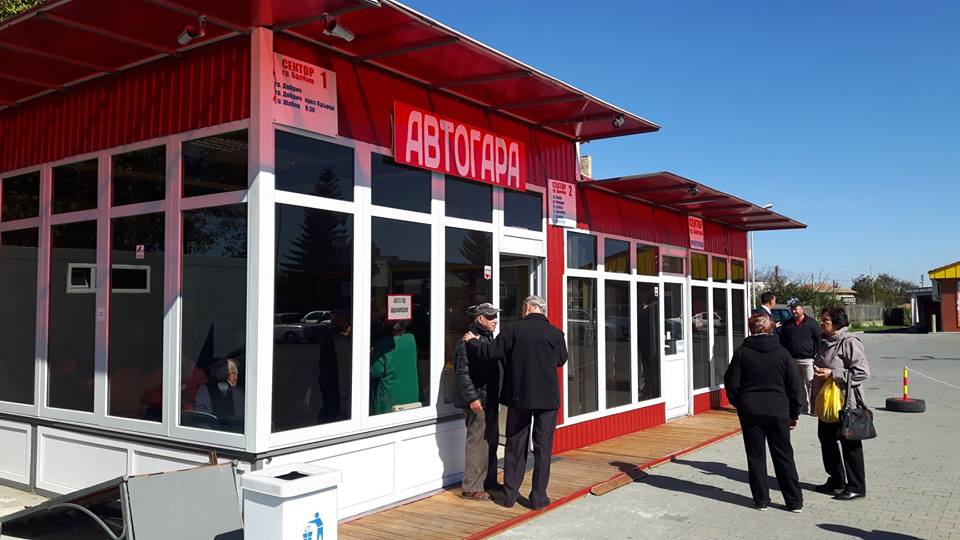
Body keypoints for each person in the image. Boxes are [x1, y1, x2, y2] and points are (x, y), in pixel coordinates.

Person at [465, 295, 568, 510]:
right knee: (543, 449)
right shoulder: (556, 333)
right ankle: (538, 498)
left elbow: (491, 353)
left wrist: (472, 341)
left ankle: (510, 496)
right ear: (541, 309)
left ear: (528, 308)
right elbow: (561, 360)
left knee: (515, 445)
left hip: (518, 396)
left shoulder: (513, 330)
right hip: (547, 399)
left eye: (523, 308)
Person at [724, 313, 805, 512]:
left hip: (751, 411)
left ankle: (761, 500)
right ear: (771, 328)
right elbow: (795, 386)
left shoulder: (742, 353)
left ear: (751, 329)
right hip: (778, 410)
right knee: (784, 456)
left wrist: (740, 404)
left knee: (755, 456)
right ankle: (794, 501)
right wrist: (794, 412)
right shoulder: (783, 353)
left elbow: (731, 383)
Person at [812, 306, 871, 500]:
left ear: (837, 324)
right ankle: (836, 479)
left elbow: (862, 372)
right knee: (826, 440)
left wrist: (833, 374)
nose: (822, 323)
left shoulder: (849, 342)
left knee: (849, 444)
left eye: (826, 321)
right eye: (822, 320)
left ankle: (856, 486)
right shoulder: (824, 341)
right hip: (827, 403)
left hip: (846, 402)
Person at [453, 303, 503, 501]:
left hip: (490, 398)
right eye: (490, 317)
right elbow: (462, 373)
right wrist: (472, 398)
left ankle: (489, 482)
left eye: (495, 316)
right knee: (477, 443)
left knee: (491, 440)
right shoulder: (466, 341)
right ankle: (472, 487)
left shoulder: (488, 339)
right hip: (477, 400)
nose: (495, 320)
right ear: (480, 319)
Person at [778, 298, 822, 414]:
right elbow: (782, 340)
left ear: (802, 308)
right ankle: (803, 407)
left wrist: (817, 355)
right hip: (793, 360)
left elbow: (819, 339)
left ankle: (814, 408)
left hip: (808, 360)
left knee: (811, 385)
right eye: (792, 309)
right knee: (798, 385)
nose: (793, 311)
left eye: (795, 309)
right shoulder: (787, 324)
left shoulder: (812, 323)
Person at [370, 320, 420, 415]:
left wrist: (371, 355)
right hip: (410, 398)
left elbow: (376, 371)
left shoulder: (383, 344)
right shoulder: (411, 339)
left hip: (389, 401)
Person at [194, 357, 244, 432]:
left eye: (236, 373)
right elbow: (202, 418)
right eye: (232, 373)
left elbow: (239, 420)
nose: (236, 377)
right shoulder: (205, 390)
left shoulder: (237, 393)